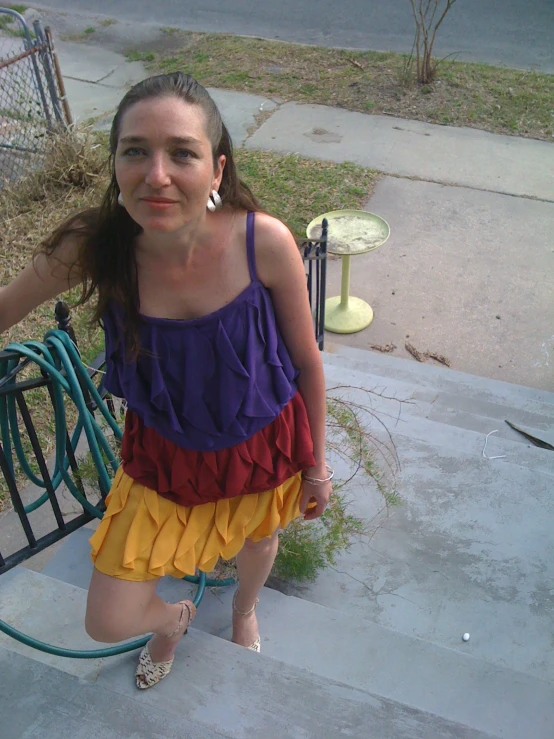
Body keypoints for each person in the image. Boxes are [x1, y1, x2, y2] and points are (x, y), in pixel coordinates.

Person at [0, 72, 331, 689]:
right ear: (115, 165)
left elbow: (308, 360)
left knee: (258, 543)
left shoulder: (264, 241)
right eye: (135, 151)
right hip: (164, 459)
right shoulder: (97, 246)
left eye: (182, 152)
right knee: (106, 618)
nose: (157, 174)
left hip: (262, 440)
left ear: (216, 169)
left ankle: (244, 611)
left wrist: (315, 465)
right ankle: (175, 618)